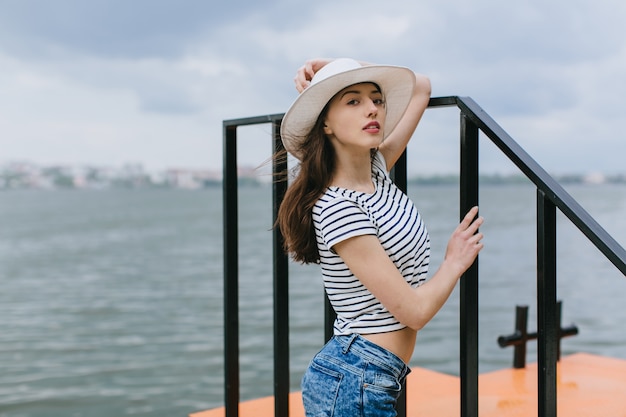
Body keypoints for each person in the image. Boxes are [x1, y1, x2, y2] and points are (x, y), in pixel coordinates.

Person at [277, 57, 484, 416]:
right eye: (353, 101)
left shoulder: (377, 172)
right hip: (354, 380)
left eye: (377, 99)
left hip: (370, 376)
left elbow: (420, 86)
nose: (372, 109)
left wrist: (341, 65)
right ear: (325, 122)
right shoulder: (339, 208)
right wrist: (454, 262)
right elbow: (414, 312)